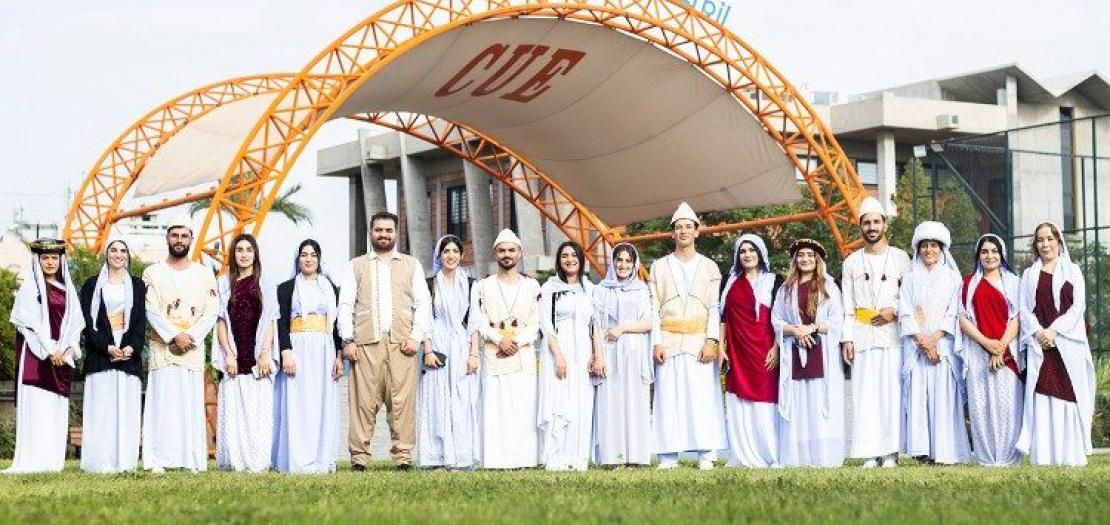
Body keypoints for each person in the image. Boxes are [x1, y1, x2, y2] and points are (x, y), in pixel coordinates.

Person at [649, 202, 726, 470]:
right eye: (678, 227)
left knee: (702, 398)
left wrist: (712, 341)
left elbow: (715, 307)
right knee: (668, 398)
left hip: (698, 342)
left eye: (688, 227)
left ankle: (707, 454)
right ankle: (667, 456)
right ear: (672, 233)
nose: (683, 231)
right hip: (669, 342)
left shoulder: (709, 267)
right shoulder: (659, 267)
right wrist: (656, 341)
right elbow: (653, 308)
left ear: (697, 231)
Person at [141, 215, 218, 473]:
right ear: (167, 238)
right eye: (175, 235)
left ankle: (192, 460)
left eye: (184, 236)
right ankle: (158, 461)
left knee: (189, 403)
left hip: (192, 348)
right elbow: (150, 310)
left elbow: (211, 312)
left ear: (191, 240)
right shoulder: (152, 272)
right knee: (161, 403)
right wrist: (173, 336)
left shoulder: (205, 274)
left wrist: (190, 337)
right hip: (162, 347)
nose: (179, 240)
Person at [1017, 222, 1095, 466]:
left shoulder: (1073, 271)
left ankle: (1071, 457)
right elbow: (1023, 309)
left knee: (1069, 396)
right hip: (1041, 346)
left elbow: (1078, 307)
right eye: (1040, 240)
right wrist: (1040, 332)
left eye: (1050, 238)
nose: (1045, 244)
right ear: (1035, 245)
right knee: (1042, 395)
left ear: (1059, 242)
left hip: (1067, 345)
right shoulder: (1029, 275)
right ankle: (1044, 457)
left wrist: (1055, 331)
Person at [840, 196, 910, 468]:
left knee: (891, 395)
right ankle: (870, 453)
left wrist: (894, 310)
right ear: (860, 226)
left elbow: (911, 295)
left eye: (876, 222)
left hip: (892, 336)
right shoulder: (851, 262)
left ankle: (891, 453)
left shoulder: (902, 258)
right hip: (862, 335)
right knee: (865, 394)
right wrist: (847, 337)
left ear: (884, 224)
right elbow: (847, 304)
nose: (871, 227)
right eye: (866, 222)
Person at [4, 239, 84, 473]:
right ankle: (32, 461)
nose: (50, 262)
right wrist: (50, 350)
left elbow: (76, 324)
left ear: (60, 261)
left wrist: (67, 350)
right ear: (37, 260)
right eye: (45, 258)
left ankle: (51, 462)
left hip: (61, 358)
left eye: (54, 258)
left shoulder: (68, 290)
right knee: (37, 410)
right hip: (36, 360)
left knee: (54, 410)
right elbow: (27, 325)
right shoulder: (30, 288)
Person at [898, 222, 971, 465]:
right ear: (918, 250)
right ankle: (922, 452)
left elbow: (954, 312)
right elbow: (905, 312)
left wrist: (935, 340)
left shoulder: (953, 278)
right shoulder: (909, 278)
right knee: (919, 398)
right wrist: (922, 341)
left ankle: (946, 452)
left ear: (942, 249)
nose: (929, 250)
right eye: (924, 246)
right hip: (917, 349)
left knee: (943, 398)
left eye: (933, 246)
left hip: (944, 349)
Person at [772, 239, 846, 467]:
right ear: (795, 260)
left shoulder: (829, 286)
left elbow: (837, 321)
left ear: (817, 260)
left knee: (818, 403)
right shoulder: (785, 290)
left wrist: (812, 328)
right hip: (794, 352)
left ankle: (823, 456)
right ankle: (798, 456)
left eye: (810, 256)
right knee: (799, 404)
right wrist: (795, 331)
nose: (805, 259)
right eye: (801, 255)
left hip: (822, 352)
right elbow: (776, 320)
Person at [472, 229, 542, 469]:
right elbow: (478, 320)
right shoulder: (483, 286)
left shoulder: (532, 285)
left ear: (520, 253)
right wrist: (498, 339)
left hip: (522, 356)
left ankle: (525, 460)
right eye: (502, 250)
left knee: (523, 410)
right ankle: (496, 461)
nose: (507, 255)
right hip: (494, 354)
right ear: (495, 254)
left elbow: (536, 322)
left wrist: (517, 341)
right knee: (496, 410)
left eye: (511, 250)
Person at [273, 239, 344, 473]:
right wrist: (286, 353)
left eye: (313, 254)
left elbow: (336, 326)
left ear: (320, 259)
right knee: (297, 403)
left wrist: (338, 355)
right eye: (304, 254)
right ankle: (296, 459)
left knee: (321, 403)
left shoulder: (330, 287)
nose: (309, 259)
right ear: (298, 259)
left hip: (324, 350)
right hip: (297, 347)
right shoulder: (285, 288)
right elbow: (281, 324)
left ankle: (320, 459)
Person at [79, 238, 146, 473]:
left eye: (123, 250)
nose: (118, 254)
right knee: (101, 410)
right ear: (106, 254)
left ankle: (125, 463)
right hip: (101, 356)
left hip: (128, 355)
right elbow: (87, 323)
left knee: (126, 411)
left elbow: (140, 320)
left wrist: (132, 347)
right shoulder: (90, 286)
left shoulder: (138, 285)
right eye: (114, 250)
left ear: (128, 255)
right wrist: (106, 346)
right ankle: (98, 463)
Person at [213, 233, 279, 472]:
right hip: (234, 351)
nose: (244, 254)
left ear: (255, 254)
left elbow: (271, 319)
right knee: (235, 410)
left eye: (248, 250)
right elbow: (220, 321)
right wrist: (229, 353)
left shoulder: (266, 283)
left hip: (257, 353)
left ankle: (257, 460)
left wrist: (264, 352)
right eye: (239, 250)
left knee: (257, 410)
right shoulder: (222, 283)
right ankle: (236, 460)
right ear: (233, 254)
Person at [958, 233, 1024, 466]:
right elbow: (963, 319)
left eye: (994, 251)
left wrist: (1000, 347)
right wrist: (986, 343)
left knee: (1008, 405)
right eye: (985, 252)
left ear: (1002, 254)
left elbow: (1018, 317)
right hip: (978, 353)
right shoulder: (968, 285)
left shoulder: (1014, 282)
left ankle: (1008, 458)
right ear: (978, 256)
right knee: (981, 406)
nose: (990, 256)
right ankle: (986, 458)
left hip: (1007, 354)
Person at [719, 233, 782, 468]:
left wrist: (776, 348)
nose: (747, 255)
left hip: (764, 351)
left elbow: (779, 317)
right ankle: (742, 455)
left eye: (752, 250)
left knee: (765, 403)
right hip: (736, 351)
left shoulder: (774, 280)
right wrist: (720, 348)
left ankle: (770, 455)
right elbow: (723, 316)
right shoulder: (729, 281)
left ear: (761, 253)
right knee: (738, 404)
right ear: (737, 256)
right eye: (743, 251)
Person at [418, 235, 481, 470]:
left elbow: (474, 321)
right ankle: (436, 457)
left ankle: (462, 457)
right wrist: (428, 350)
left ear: (462, 256)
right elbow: (424, 320)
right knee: (436, 401)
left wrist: (474, 354)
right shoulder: (430, 284)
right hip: (438, 345)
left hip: (463, 346)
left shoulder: (472, 284)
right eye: (446, 251)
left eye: (455, 251)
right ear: (439, 255)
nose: (451, 256)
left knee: (463, 401)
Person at [538, 241, 600, 471]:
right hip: (558, 350)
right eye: (564, 255)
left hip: (583, 351)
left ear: (581, 259)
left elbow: (595, 325)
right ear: (559, 260)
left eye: (574, 255)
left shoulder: (591, 289)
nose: (570, 259)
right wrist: (559, 356)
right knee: (559, 402)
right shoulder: (549, 288)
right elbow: (546, 325)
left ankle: (578, 458)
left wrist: (597, 355)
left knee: (580, 403)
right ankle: (557, 458)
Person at [591, 243, 654, 468]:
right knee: (610, 402)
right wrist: (598, 355)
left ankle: (636, 456)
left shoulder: (641, 289)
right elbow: (596, 324)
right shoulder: (601, 290)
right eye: (620, 260)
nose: (623, 265)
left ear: (634, 264)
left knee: (634, 402)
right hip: (609, 350)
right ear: (612, 261)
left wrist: (623, 328)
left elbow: (649, 323)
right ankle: (611, 457)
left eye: (628, 261)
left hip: (635, 351)